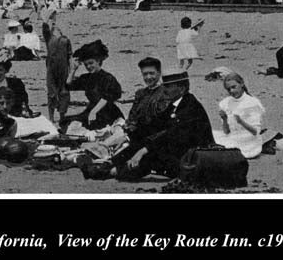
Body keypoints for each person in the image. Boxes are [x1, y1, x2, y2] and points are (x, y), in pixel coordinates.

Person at [86, 71, 214, 181]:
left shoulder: (190, 107)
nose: (165, 89)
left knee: (149, 155)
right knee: (140, 141)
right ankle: (110, 163)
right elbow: (154, 125)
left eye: (169, 86)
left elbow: (171, 135)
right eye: (165, 86)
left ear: (181, 88)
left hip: (191, 157)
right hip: (177, 149)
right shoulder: (177, 103)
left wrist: (142, 151)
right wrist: (128, 137)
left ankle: (112, 172)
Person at [64, 40, 123, 130]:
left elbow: (106, 97)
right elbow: (68, 85)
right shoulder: (87, 78)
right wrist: (73, 69)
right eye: (86, 64)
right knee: (65, 121)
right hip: (91, 110)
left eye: (91, 63)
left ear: (98, 61)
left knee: (92, 127)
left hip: (108, 113)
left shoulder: (108, 78)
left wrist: (93, 112)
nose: (88, 67)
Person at [214, 71, 265, 158]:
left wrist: (241, 122)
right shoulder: (225, 103)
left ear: (241, 84)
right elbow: (226, 132)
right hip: (232, 136)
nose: (232, 91)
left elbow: (255, 132)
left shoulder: (252, 103)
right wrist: (225, 119)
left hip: (249, 140)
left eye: (234, 87)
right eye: (228, 89)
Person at [0, 49, 36, 118]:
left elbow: (23, 101)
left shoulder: (17, 84)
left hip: (17, 116)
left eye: (0, 70)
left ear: (6, 70)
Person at [43, 18, 72, 124]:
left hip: (64, 69)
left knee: (64, 93)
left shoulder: (66, 40)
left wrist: (72, 71)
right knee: (51, 93)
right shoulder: (49, 38)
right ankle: (51, 117)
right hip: (51, 69)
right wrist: (47, 18)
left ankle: (62, 116)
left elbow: (70, 56)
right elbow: (45, 27)